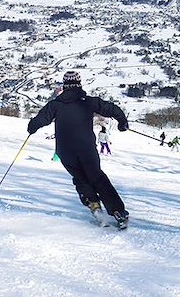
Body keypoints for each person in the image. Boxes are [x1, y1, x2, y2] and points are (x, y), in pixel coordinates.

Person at [27, 71, 129, 229]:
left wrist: (31, 128)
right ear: (79, 84)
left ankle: (94, 205)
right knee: (97, 177)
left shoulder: (55, 104)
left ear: (65, 86)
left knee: (80, 178)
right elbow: (112, 109)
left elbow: (39, 120)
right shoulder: (88, 102)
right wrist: (122, 122)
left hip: (65, 151)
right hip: (86, 148)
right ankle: (118, 212)